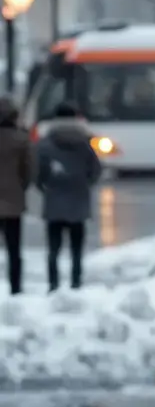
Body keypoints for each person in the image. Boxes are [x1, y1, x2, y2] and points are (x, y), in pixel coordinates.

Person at [35, 102, 102, 291]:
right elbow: (95, 170)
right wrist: (84, 184)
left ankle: (53, 283)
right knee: (76, 247)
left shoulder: (46, 144)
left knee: (53, 249)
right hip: (78, 202)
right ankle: (76, 281)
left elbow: (38, 172)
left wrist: (46, 186)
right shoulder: (84, 143)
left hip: (54, 201)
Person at [0, 96, 32, 295]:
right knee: (14, 249)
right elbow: (28, 171)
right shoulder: (21, 140)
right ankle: (16, 287)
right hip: (13, 202)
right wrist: (20, 187)